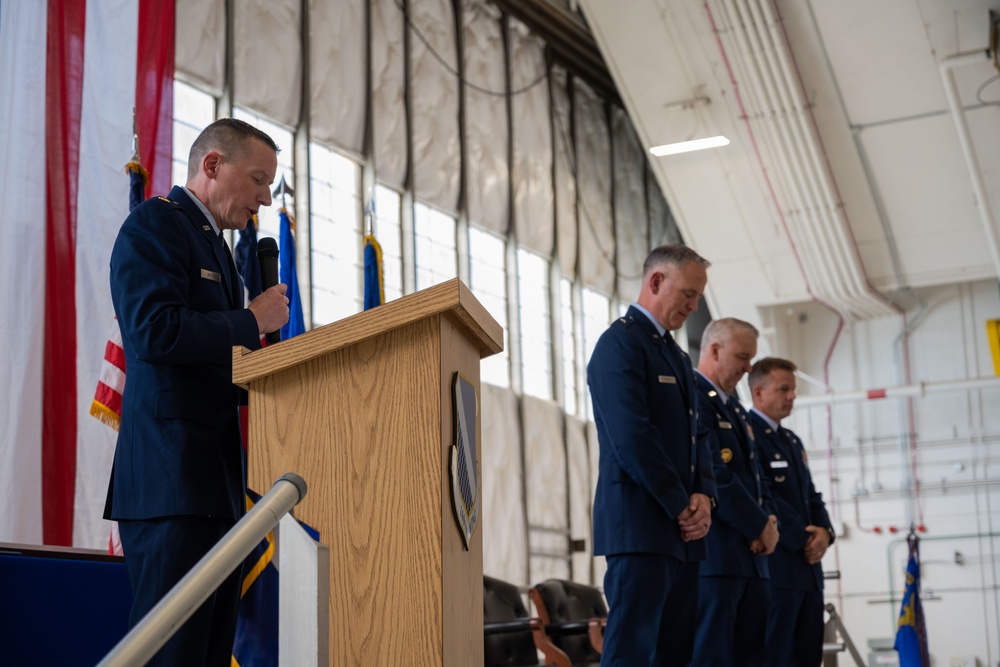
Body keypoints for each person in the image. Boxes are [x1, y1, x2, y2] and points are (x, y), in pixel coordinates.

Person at [103, 118, 290, 665]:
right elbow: (153, 331)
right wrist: (249, 320)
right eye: (257, 179)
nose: (264, 197)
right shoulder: (154, 226)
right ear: (212, 166)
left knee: (207, 657)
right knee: (172, 656)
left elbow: (217, 366)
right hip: (171, 485)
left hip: (217, 492)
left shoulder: (223, 254)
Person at [588, 244, 717, 666]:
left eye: (698, 297)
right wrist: (682, 503)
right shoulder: (619, 345)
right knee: (631, 652)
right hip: (641, 526)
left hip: (682, 534)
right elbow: (632, 438)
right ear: (656, 281)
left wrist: (705, 497)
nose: (694, 306)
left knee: (675, 654)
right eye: (688, 294)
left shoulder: (678, 357)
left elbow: (699, 436)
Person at [690, 318, 777, 666]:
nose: (748, 368)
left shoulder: (735, 408)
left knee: (751, 656)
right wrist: (758, 525)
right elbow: (715, 473)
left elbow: (757, 476)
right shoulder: (695, 396)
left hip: (751, 559)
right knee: (712, 655)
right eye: (742, 357)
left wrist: (769, 521)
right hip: (718, 557)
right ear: (714, 350)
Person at [746, 357, 835, 667]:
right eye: (784, 389)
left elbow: (810, 495)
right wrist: (803, 538)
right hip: (779, 568)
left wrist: (825, 533)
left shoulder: (791, 440)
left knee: (808, 656)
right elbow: (762, 495)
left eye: (793, 389)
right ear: (758, 393)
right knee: (776, 655)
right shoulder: (748, 435)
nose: (792, 396)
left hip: (807, 573)